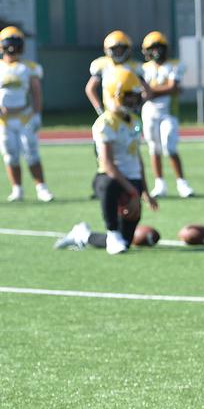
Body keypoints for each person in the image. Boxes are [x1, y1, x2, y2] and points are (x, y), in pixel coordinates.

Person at [56, 68, 158, 254]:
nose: (133, 100)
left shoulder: (134, 121)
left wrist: (144, 191)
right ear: (115, 95)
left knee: (123, 242)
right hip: (112, 180)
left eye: (135, 96)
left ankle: (82, 235)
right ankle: (111, 230)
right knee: (108, 183)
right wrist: (133, 192)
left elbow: (137, 158)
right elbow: (108, 164)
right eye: (129, 96)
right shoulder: (105, 123)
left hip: (132, 182)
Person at [0, 26, 53, 203]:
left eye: (16, 43)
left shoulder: (29, 67)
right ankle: (17, 189)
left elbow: (36, 92)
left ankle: (41, 188)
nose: (13, 48)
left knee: (31, 153)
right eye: (10, 43)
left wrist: (37, 114)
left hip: (24, 116)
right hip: (4, 120)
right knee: (10, 155)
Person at [140, 31, 194, 199]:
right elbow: (146, 92)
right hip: (149, 112)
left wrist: (151, 91)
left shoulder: (175, 65)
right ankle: (160, 184)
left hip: (169, 113)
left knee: (169, 146)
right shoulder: (143, 69)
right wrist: (163, 90)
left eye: (159, 47)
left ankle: (182, 183)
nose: (156, 51)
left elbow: (173, 88)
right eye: (152, 48)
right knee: (153, 148)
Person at [85, 30, 147, 116]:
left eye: (121, 49)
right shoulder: (102, 65)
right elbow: (90, 89)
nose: (118, 52)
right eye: (115, 49)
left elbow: (147, 90)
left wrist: (139, 105)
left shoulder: (136, 67)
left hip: (131, 110)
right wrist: (99, 109)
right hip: (110, 111)